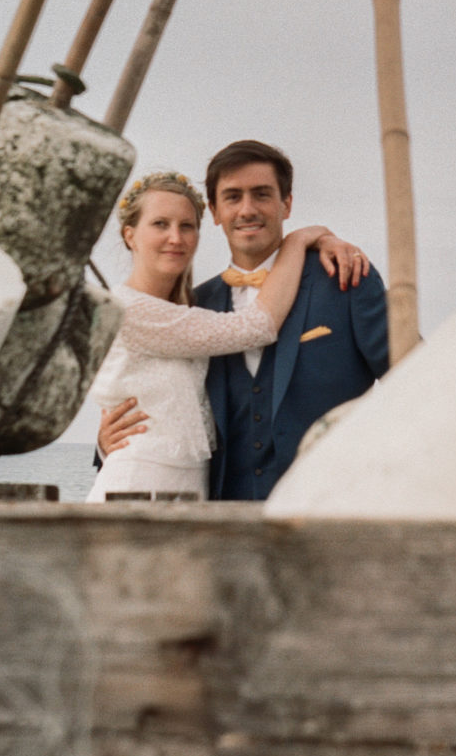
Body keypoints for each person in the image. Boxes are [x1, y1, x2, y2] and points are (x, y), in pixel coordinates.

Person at [99, 141, 390, 501]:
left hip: (335, 506)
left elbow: (416, 379)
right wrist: (103, 442)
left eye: (262, 195)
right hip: (220, 517)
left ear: (287, 204)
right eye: (233, 197)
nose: (247, 209)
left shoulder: (344, 278)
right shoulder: (197, 304)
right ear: (216, 211)